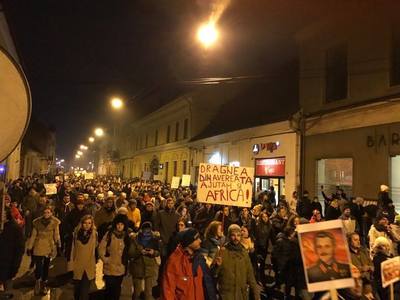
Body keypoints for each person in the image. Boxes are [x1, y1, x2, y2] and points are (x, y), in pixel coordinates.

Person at [213, 224, 260, 300]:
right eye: (233, 235)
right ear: (229, 236)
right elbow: (214, 274)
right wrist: (216, 266)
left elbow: (250, 275)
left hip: (241, 295)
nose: (236, 238)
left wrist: (256, 295)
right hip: (227, 296)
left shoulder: (244, 252)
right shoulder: (222, 252)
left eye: (238, 235)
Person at [26, 206, 61, 296]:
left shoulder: (54, 222)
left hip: (49, 246)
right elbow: (33, 235)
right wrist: (30, 247)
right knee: (38, 265)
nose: (46, 214)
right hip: (38, 245)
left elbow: (56, 234)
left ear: (51, 213)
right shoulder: (37, 222)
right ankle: (37, 281)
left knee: (46, 265)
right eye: (45, 212)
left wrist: (58, 244)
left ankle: (44, 283)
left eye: (48, 212)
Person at [162, 228, 204, 300]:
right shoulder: (174, 261)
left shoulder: (198, 258)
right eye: (196, 239)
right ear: (189, 242)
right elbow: (168, 290)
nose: (200, 241)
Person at [99, 214, 132, 300]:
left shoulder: (126, 236)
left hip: (120, 268)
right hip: (109, 267)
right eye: (118, 224)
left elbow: (129, 251)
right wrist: (105, 259)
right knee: (109, 290)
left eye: (121, 224)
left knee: (117, 290)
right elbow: (101, 248)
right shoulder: (109, 234)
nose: (119, 226)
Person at [129, 222, 160, 300]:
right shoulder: (135, 238)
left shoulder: (154, 239)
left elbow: (158, 251)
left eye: (148, 230)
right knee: (137, 292)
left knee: (148, 293)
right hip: (137, 267)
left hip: (149, 268)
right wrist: (140, 252)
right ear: (141, 230)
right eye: (145, 230)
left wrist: (153, 252)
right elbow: (131, 253)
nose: (146, 232)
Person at [69, 215, 98, 300]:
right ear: (81, 224)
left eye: (89, 223)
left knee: (85, 293)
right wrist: (70, 264)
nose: (87, 225)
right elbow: (72, 249)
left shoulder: (94, 234)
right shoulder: (76, 233)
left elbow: (96, 248)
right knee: (77, 292)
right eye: (85, 223)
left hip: (88, 266)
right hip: (77, 265)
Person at [0, 208, 24, 294]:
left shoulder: (15, 228)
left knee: (6, 291)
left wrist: (15, 266)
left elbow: (19, 249)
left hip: (8, 265)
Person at [254, 211, 274, 286]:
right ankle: (257, 278)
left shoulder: (270, 226)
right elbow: (256, 237)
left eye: (266, 217)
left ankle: (261, 278)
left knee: (262, 264)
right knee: (257, 263)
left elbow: (272, 237)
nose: (265, 218)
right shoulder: (258, 225)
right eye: (263, 217)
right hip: (258, 247)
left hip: (264, 247)